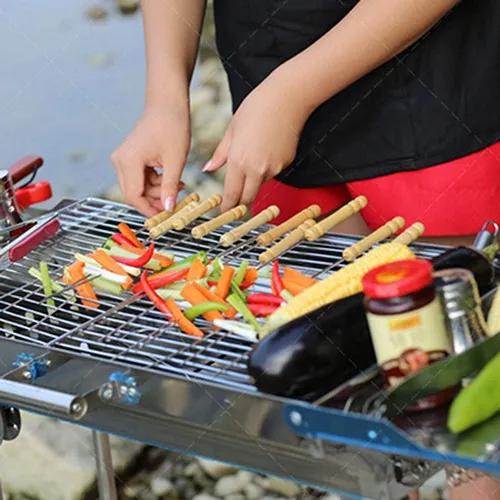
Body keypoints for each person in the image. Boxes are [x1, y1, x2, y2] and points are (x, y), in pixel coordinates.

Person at [112, 1, 500, 498]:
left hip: (431, 92)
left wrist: (287, 95)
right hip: (271, 100)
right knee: (354, 404)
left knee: (466, 403)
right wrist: (164, 98)